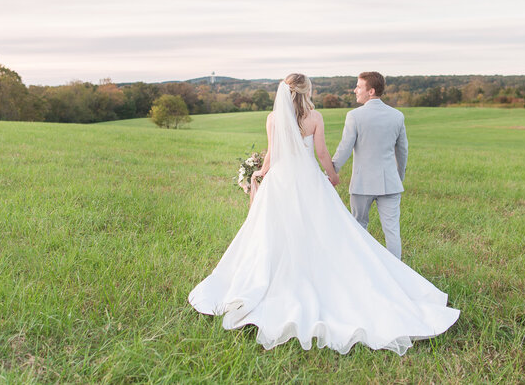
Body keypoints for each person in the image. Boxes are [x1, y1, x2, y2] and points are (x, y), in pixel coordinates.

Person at [188, 73, 459, 354]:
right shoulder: (314, 118)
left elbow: (271, 153)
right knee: (328, 231)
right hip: (308, 180)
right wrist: (332, 175)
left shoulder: (272, 119)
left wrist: (261, 172)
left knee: (273, 233)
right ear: (306, 92)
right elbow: (321, 153)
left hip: (280, 182)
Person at [332, 71, 407, 259]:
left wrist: (332, 171)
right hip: (390, 183)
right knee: (392, 233)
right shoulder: (397, 116)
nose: (355, 90)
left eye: (359, 86)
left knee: (359, 229)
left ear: (371, 91)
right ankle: (396, 275)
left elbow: (345, 148)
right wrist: (398, 178)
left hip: (362, 184)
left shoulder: (354, 116)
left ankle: (363, 270)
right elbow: (403, 151)